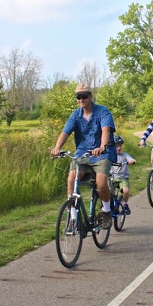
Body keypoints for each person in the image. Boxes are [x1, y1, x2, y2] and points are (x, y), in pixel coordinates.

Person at [51, 84, 117, 229]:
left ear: (90, 96)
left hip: (102, 153)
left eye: (84, 96)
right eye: (78, 97)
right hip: (82, 152)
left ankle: (106, 211)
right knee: (71, 178)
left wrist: (102, 146)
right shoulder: (75, 115)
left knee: (100, 182)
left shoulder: (102, 111)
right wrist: (57, 147)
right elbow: (65, 132)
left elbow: (106, 130)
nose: (81, 99)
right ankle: (74, 218)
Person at [110, 135, 136, 215]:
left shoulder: (124, 155)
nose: (118, 148)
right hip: (112, 178)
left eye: (120, 146)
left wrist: (132, 161)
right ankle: (109, 206)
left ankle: (124, 204)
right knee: (108, 192)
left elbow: (130, 159)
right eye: (116, 146)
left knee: (126, 190)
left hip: (123, 178)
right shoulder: (110, 156)